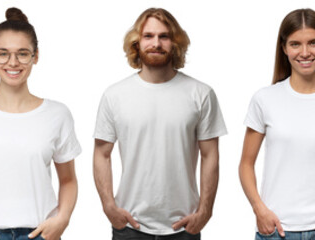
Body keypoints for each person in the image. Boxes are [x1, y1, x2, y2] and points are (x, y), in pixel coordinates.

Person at [94, 7, 226, 240]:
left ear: (175, 43)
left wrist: (205, 211)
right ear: (137, 42)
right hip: (129, 226)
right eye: (148, 36)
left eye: (164, 36)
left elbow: (210, 155)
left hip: (184, 225)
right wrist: (109, 206)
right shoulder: (114, 95)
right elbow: (102, 153)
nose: (156, 43)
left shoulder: (201, 94)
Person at [0, 7, 80, 240]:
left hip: (40, 233)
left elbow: (68, 180)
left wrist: (62, 220)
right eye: (3, 53)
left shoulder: (57, 114)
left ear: (36, 56)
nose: (13, 62)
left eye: (22, 53)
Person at [238, 8, 315, 240]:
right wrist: (259, 209)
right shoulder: (264, 99)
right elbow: (246, 163)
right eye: (295, 44)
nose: (305, 52)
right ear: (284, 48)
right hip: (276, 229)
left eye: (313, 43)